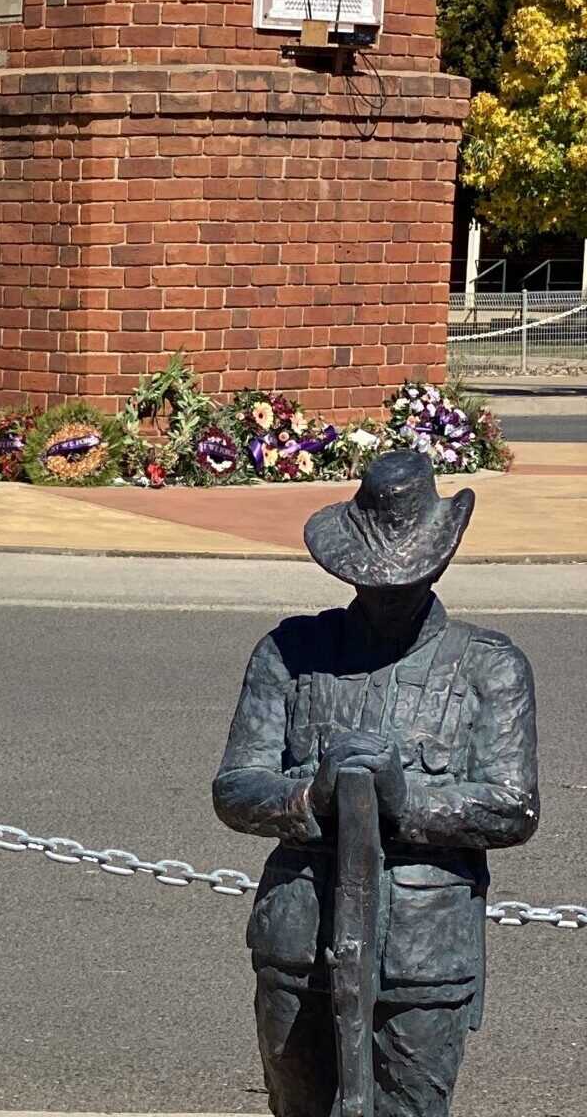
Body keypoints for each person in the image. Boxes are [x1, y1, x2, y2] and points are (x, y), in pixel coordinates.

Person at [213, 450, 539, 1117]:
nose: (390, 591)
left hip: (424, 950)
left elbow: (512, 806)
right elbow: (236, 786)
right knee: (298, 1104)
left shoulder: (489, 667)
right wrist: (310, 796)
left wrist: (407, 799)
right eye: (374, 579)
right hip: (298, 935)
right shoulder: (292, 652)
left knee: (408, 1108)